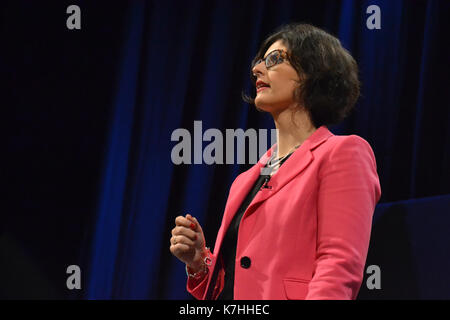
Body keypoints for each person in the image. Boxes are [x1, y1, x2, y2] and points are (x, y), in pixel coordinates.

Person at [169, 23, 381, 300]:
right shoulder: (245, 180)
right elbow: (236, 283)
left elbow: (339, 267)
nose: (257, 70)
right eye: (258, 62)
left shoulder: (343, 153)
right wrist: (198, 262)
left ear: (312, 72)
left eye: (274, 59)